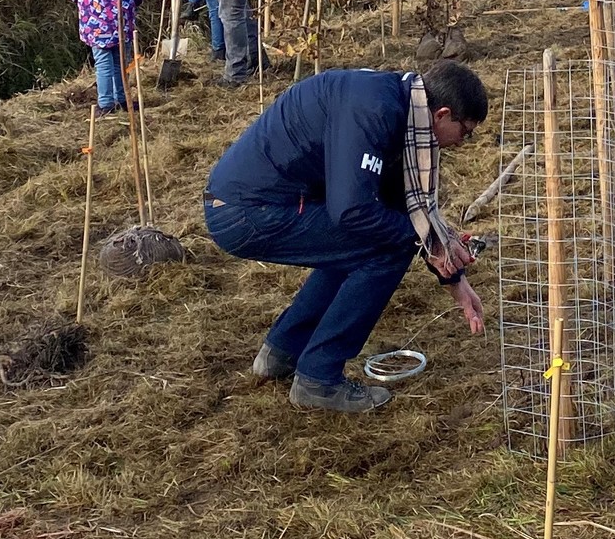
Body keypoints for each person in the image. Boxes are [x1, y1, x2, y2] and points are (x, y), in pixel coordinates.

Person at [204, 62, 491, 412]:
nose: (463, 142)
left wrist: (455, 280)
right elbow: (352, 211)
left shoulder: (398, 104)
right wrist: (423, 243)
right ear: (442, 114)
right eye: (466, 132)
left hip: (258, 202)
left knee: (361, 243)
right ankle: (318, 379)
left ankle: (282, 352)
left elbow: (395, 200)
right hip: (247, 210)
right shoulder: (376, 110)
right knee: (384, 248)